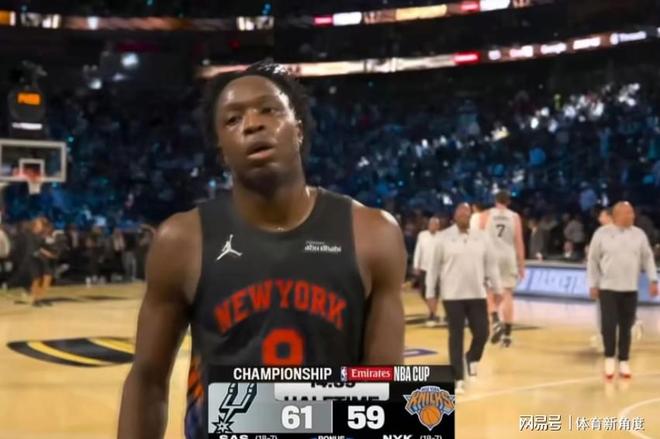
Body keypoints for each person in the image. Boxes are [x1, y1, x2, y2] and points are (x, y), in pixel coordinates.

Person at [117, 62, 407, 439]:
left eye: (269, 110)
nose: (253, 124)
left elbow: (385, 387)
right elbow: (147, 380)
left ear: (298, 129)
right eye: (233, 119)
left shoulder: (373, 233)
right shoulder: (181, 240)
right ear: (221, 151)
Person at [426, 203, 500, 394]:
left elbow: (491, 265)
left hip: (477, 293)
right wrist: (431, 293)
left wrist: (497, 288)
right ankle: (457, 377)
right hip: (452, 295)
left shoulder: (482, 237)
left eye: (467, 214)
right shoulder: (443, 238)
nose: (464, 216)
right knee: (456, 336)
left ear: (470, 217)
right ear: (454, 217)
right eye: (460, 214)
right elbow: (433, 268)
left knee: (482, 333)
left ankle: (472, 357)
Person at [587, 201, 658, 379]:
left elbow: (648, 258)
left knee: (627, 327)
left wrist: (653, 279)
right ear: (616, 215)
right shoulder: (601, 234)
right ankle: (609, 358)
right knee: (609, 325)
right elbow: (592, 260)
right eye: (627, 213)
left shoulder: (639, 235)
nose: (631, 216)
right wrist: (593, 283)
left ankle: (624, 361)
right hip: (608, 288)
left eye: (632, 212)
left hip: (630, 288)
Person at [480, 190, 525, 347]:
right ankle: (507, 335)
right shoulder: (514, 217)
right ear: (508, 202)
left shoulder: (486, 215)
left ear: (495, 201)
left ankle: (495, 320)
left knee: (489, 293)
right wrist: (521, 264)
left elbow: (478, 239)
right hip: (508, 257)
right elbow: (519, 241)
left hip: (491, 256)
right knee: (507, 294)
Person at [413, 215, 441, 327]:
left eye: (435, 224)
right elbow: (418, 250)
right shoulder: (422, 235)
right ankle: (432, 310)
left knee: (434, 292)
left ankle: (432, 313)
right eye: (431, 224)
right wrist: (416, 265)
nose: (432, 226)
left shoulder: (442, 237)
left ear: (438, 226)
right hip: (424, 268)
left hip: (437, 269)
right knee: (423, 292)